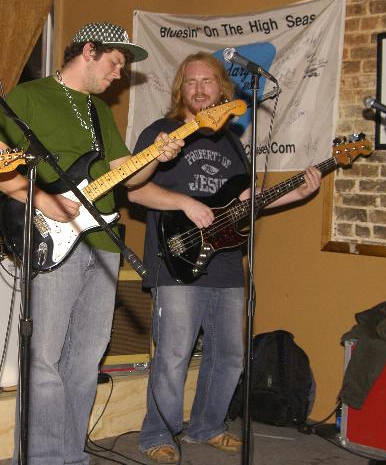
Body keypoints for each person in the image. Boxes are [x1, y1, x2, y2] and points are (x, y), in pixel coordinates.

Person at [0, 22, 183, 464]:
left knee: (87, 359)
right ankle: (44, 458)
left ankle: (71, 455)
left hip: (104, 242)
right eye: (115, 62)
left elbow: (128, 177)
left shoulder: (99, 111)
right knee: (44, 359)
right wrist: (39, 197)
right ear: (89, 51)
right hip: (54, 240)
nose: (119, 74)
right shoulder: (30, 96)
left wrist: (156, 156)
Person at [128, 52, 321, 464]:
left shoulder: (232, 140)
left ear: (223, 89)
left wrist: (298, 192)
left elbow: (246, 201)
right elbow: (133, 190)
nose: (199, 89)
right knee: (174, 355)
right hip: (175, 259)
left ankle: (207, 426)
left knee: (230, 355)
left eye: (208, 81)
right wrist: (184, 202)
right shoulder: (161, 133)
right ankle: (157, 434)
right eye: (191, 81)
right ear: (180, 89)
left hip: (228, 264)